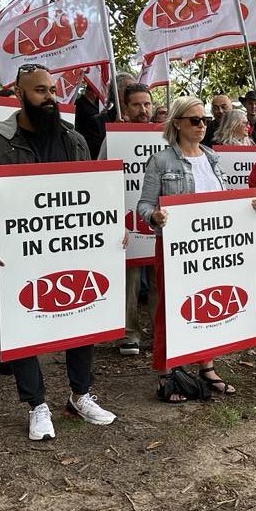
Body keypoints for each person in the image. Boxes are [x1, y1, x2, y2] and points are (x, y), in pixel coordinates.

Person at [0, 63, 117, 439]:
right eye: (40, 91)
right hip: (15, 255)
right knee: (20, 326)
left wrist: (112, 231)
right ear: (19, 94)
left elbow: (94, 195)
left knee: (83, 313)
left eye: (52, 90)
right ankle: (37, 405)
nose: (50, 98)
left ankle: (80, 394)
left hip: (71, 248)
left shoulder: (74, 140)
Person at [137, 96, 256, 400]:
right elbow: (144, 205)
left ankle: (207, 366)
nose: (202, 125)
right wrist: (155, 216)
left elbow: (223, 201)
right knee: (171, 309)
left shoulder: (212, 158)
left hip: (211, 252)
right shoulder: (161, 161)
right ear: (177, 123)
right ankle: (167, 373)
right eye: (195, 120)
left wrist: (248, 207)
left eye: (205, 120)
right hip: (175, 251)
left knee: (207, 303)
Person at [98, 82, 158, 356]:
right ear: (125, 106)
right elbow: (102, 174)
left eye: (147, 104)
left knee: (159, 277)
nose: (143, 110)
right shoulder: (114, 139)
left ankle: (160, 331)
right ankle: (129, 333)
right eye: (136, 104)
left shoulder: (164, 136)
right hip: (126, 219)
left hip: (156, 218)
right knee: (130, 278)